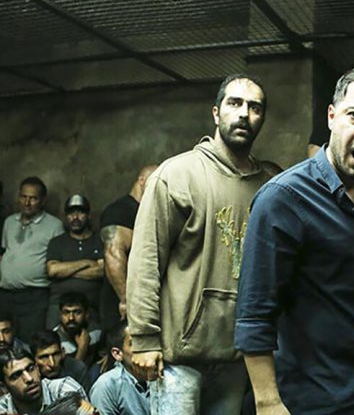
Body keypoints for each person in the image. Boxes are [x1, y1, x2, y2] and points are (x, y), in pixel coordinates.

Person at [235, 64, 354, 415]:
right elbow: (255, 313)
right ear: (332, 117)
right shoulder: (283, 199)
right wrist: (267, 402)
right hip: (316, 400)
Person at [127, 73, 279, 415]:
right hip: (179, 357)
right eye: (235, 103)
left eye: (255, 107)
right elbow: (146, 260)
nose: (244, 114)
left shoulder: (270, 187)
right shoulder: (177, 174)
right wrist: (144, 338)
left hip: (236, 355)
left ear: (262, 119)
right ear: (216, 112)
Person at [0, 177, 64, 341]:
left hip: (34, 296)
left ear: (42, 201)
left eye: (33, 198)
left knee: (31, 340)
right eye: (24, 197)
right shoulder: (9, 222)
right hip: (6, 294)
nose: (27, 203)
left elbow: (58, 259)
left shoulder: (54, 225)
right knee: (4, 340)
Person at [99, 165, 157, 332]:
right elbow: (113, 254)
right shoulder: (121, 211)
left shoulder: (147, 210)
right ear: (141, 180)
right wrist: (125, 300)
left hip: (143, 299)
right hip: (121, 302)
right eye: (155, 182)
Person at [46, 195, 104, 329]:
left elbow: (101, 271)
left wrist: (65, 271)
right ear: (66, 216)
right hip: (58, 305)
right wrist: (87, 262)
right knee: (51, 340)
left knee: (95, 338)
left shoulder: (99, 240)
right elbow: (53, 270)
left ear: (88, 215)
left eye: (80, 213)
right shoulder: (57, 242)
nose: (75, 217)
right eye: (71, 213)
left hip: (91, 306)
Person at [0, 346, 88, 414]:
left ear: (38, 370)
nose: (29, 379)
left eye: (31, 369)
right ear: (4, 386)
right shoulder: (3, 408)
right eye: (16, 375)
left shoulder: (63, 389)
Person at [89, 322, 149, 415]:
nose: (144, 348)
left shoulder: (164, 376)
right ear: (117, 354)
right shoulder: (107, 386)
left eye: (147, 342)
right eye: (136, 343)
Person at [53, 292, 100, 364]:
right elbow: (71, 372)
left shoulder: (97, 332)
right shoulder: (54, 340)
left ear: (86, 314)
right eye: (66, 312)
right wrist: (82, 349)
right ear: (60, 315)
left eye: (77, 312)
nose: (71, 318)